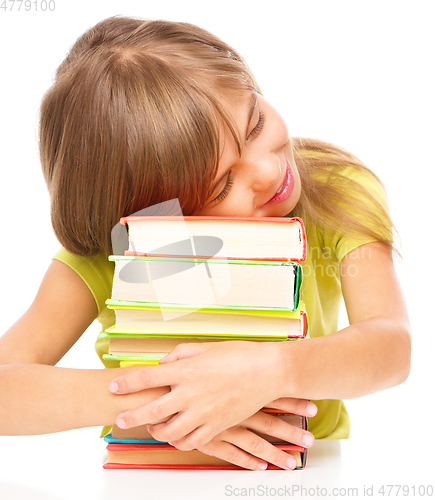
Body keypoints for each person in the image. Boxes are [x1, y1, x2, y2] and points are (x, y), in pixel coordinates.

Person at [0, 16, 411, 471]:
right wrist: (175, 397)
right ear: (156, 217)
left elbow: (391, 346)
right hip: (150, 482)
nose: (268, 172)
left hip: (307, 475)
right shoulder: (115, 252)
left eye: (254, 124)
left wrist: (272, 369)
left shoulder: (335, 191)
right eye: (220, 187)